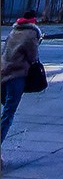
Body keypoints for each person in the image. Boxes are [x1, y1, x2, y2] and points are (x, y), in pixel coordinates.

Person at [1, 9, 43, 149]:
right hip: (17, 76)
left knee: (6, 108)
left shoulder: (14, 31)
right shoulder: (31, 34)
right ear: (34, 20)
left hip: (3, 74)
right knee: (9, 113)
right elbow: (33, 57)